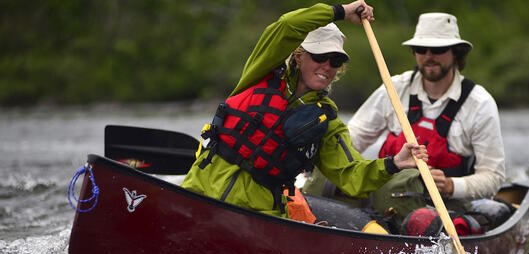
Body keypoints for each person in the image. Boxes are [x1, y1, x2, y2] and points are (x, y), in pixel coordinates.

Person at [181, 2, 427, 222]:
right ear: (298, 56)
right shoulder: (261, 72)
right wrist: (340, 11)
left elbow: (351, 175)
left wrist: (394, 163)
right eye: (320, 56)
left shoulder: (327, 120)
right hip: (199, 194)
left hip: (257, 216)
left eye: (335, 61)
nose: (327, 67)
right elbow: (288, 25)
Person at [304, 12, 506, 234]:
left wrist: (450, 185)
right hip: (386, 196)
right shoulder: (394, 89)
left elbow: (493, 177)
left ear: (456, 53)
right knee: (324, 178)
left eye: (438, 50)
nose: (429, 56)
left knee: (422, 221)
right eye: (421, 49)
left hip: (441, 204)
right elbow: (351, 140)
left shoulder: (479, 103)